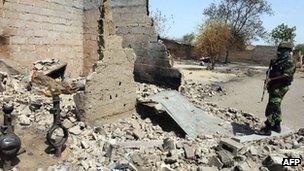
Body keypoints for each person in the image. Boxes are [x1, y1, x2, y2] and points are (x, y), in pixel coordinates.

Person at [259, 42, 296, 136]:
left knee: (272, 106)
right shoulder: (276, 61)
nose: (280, 52)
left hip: (281, 87)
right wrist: (268, 76)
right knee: (276, 106)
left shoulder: (289, 62)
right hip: (273, 86)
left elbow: (287, 76)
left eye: (283, 50)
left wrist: (271, 79)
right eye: (280, 50)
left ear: (288, 51)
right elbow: (270, 71)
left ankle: (267, 128)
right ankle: (277, 125)